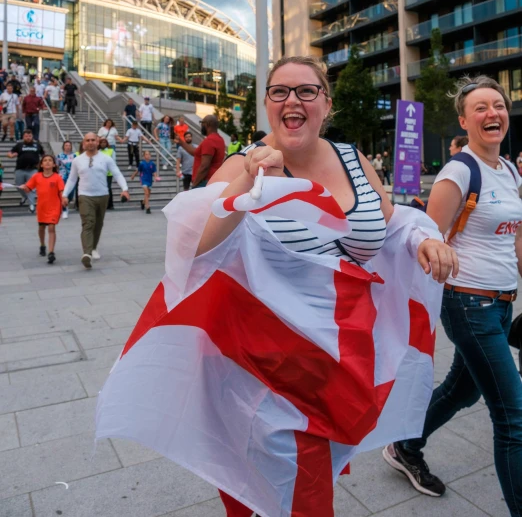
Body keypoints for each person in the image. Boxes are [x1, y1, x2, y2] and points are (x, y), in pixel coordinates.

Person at [192, 55, 457, 517]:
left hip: (344, 363)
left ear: (325, 104)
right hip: (268, 372)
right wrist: (247, 181)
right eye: (280, 91)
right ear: (267, 104)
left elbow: (389, 224)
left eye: (306, 91)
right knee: (301, 499)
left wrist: (422, 239)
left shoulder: (353, 160)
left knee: (300, 490)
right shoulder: (242, 164)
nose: (292, 99)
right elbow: (194, 244)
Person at [383, 75, 522, 514]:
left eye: (497, 105)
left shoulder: (510, 169)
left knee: (463, 391)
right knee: (513, 418)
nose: (491, 113)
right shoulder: (460, 170)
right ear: (464, 120)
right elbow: (426, 236)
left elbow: (513, 238)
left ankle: (405, 445)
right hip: (469, 304)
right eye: (480, 107)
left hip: (501, 304)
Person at [63, 132, 129, 269]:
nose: (91, 142)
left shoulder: (106, 159)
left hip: (102, 195)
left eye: (93, 140)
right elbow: (72, 179)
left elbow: (117, 173)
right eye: (88, 140)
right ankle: (87, 254)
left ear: (98, 142)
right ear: (84, 143)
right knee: (88, 223)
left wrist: (125, 188)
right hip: (85, 196)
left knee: (98, 224)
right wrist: (65, 194)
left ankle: (93, 248)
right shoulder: (77, 160)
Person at [19, 154, 64, 265]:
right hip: (42, 207)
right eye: (45, 160)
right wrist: (25, 187)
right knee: (41, 227)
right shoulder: (36, 176)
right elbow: (29, 189)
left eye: (50, 160)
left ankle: (51, 252)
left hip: (54, 207)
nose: (47, 162)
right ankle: (42, 245)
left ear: (54, 164)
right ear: (41, 164)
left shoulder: (57, 177)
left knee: (51, 228)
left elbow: (61, 191)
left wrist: (64, 199)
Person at [180, 114, 225, 188]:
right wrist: (181, 142)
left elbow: (204, 166)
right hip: (213, 180)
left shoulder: (209, 141)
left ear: (207, 124)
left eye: (202, 123)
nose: (201, 126)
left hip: (204, 182)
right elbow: (195, 152)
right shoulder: (220, 139)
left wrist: (195, 184)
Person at [8, 130, 44, 213]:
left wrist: (43, 162)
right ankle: (25, 197)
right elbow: (10, 152)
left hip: (33, 169)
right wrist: (11, 155)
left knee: (31, 188)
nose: (28, 137)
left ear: (32, 136)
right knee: (19, 186)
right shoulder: (19, 145)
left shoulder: (37, 145)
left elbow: (43, 154)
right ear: (23, 137)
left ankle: (31, 205)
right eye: (26, 136)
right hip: (20, 169)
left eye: (30, 136)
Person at [131, 149, 157, 214]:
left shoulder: (152, 164)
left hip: (149, 180)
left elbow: (154, 171)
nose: (147, 156)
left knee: (148, 195)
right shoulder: (142, 163)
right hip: (143, 179)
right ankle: (147, 207)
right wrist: (133, 175)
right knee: (146, 193)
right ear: (144, 156)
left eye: (148, 154)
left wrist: (156, 177)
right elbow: (138, 170)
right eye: (146, 154)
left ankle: (143, 202)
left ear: (150, 155)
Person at [56, 140, 75, 215]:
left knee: (71, 193)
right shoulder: (59, 155)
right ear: (63, 146)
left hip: (72, 176)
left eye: (69, 145)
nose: (67, 147)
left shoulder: (74, 156)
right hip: (62, 176)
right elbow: (57, 166)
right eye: (66, 145)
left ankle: (66, 202)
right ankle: (64, 208)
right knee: (63, 192)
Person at [99, 138, 116, 210]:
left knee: (108, 188)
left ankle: (110, 204)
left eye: (104, 142)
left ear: (106, 144)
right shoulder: (97, 151)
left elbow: (113, 161)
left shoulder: (111, 151)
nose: (103, 144)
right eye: (102, 142)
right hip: (100, 173)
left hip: (108, 173)